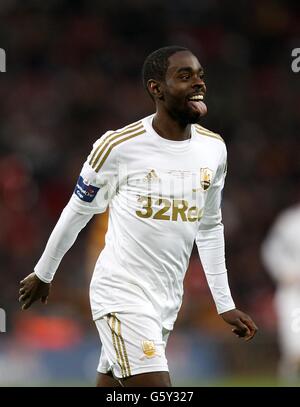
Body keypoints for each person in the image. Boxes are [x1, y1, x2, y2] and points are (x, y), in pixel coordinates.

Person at [19, 46, 258, 387]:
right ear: (155, 88)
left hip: (166, 300)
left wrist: (225, 304)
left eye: (201, 76)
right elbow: (78, 209)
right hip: (121, 294)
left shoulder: (214, 149)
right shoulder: (118, 146)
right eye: (185, 76)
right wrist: (44, 272)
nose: (198, 84)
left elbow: (209, 226)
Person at [261, 204, 300, 382]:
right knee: (295, 347)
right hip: (293, 292)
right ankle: (289, 378)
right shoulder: (291, 220)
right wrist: (284, 271)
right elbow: (271, 249)